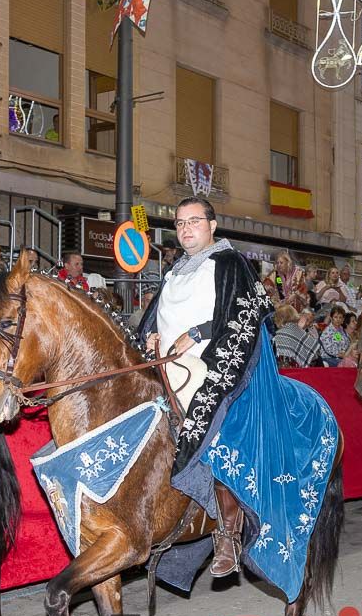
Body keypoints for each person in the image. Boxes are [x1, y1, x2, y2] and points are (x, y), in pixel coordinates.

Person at [138, 197, 338, 588]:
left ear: (212, 226)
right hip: (166, 366)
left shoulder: (230, 263)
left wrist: (196, 335)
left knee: (212, 422)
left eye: (194, 221)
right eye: (179, 223)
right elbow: (151, 319)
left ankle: (227, 528)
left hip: (215, 364)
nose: (186, 229)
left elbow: (243, 317)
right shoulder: (173, 273)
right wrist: (150, 337)